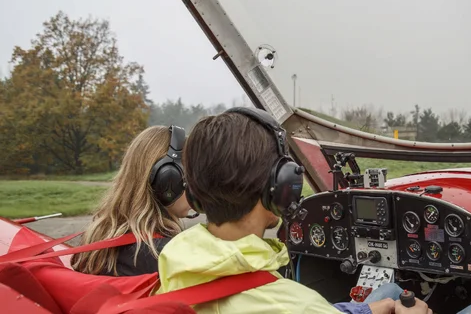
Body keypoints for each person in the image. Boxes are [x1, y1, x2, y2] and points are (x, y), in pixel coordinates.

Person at [154, 107, 431, 314]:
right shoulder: (297, 305)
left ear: (194, 193)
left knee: (389, 293)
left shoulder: (174, 261)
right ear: (282, 185)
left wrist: (367, 309)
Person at [71, 125, 193, 276]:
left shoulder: (96, 238)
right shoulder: (167, 254)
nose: (197, 185)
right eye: (190, 174)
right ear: (168, 179)